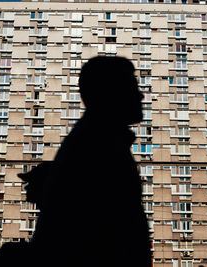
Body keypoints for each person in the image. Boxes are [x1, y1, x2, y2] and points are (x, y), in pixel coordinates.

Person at [35, 56, 152, 267]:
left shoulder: (100, 141)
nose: (141, 96)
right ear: (111, 94)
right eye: (132, 87)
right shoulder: (99, 149)